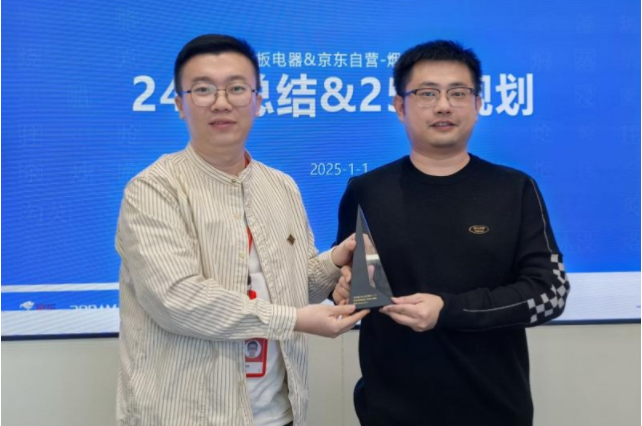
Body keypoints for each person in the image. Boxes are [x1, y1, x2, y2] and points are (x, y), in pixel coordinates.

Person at [116, 34, 368, 426]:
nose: (221, 102)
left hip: (279, 413)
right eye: (203, 89)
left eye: (236, 88)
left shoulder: (281, 186)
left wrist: (335, 261)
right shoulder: (154, 188)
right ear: (180, 105)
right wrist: (295, 320)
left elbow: (294, 287)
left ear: (258, 101)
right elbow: (176, 301)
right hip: (186, 415)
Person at [333, 40, 569, 426]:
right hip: (391, 409)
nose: (443, 106)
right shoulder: (367, 191)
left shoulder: (514, 189)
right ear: (399, 106)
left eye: (458, 93)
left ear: (478, 104)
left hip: (494, 408)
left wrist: (449, 310)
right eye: (427, 93)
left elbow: (549, 293)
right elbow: (352, 281)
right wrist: (341, 286)